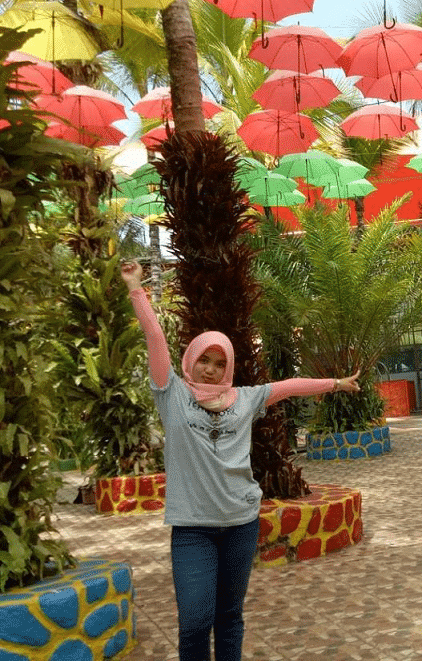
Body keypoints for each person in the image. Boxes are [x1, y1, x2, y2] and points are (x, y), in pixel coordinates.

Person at [120, 260, 360, 661]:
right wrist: (135, 287)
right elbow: (155, 338)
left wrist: (335, 383)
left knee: (229, 616)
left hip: (240, 523)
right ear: (191, 360)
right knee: (195, 620)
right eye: (204, 360)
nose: (211, 370)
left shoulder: (244, 398)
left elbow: (287, 387)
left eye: (220, 363)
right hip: (193, 529)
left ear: (228, 366)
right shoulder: (171, 393)